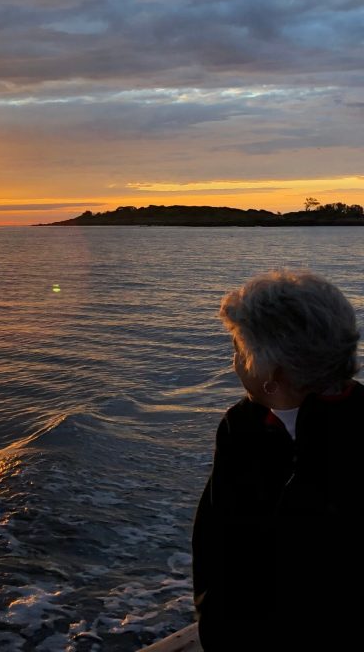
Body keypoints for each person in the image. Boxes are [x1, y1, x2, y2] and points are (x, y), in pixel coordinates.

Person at [192, 270, 364, 651]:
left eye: (238, 349)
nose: (233, 359)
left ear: (272, 373)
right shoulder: (242, 426)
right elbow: (216, 549)